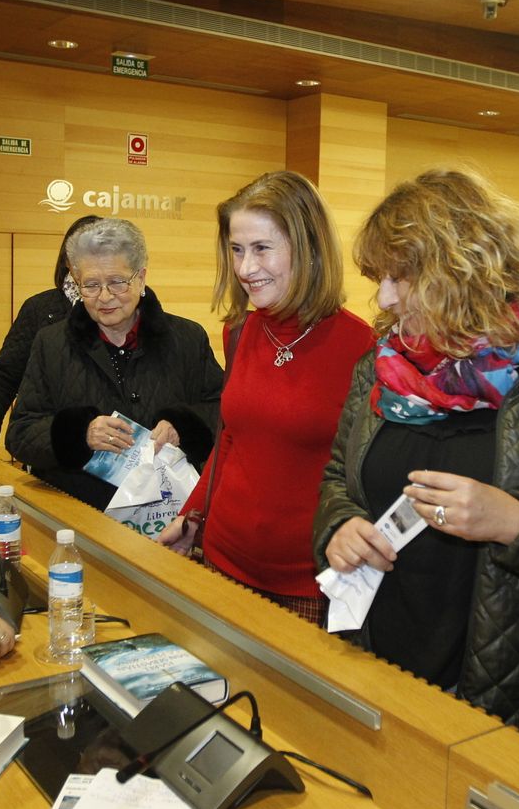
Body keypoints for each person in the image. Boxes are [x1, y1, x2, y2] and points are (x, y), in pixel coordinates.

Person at [312, 169, 519, 743]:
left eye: (400, 278)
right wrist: (340, 526)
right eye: (380, 278)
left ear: (462, 270)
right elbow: (340, 477)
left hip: (502, 688)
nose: (383, 298)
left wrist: (516, 522)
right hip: (375, 655)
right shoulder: (381, 366)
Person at [157, 171, 374, 622]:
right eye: (236, 250)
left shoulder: (363, 348)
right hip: (222, 564)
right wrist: (194, 514)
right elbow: (232, 439)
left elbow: (364, 476)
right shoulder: (240, 333)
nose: (245, 269)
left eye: (261, 249)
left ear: (308, 249)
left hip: (308, 586)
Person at [3, 217, 222, 510]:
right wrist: (81, 434)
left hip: (167, 518)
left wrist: (181, 426)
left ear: (141, 277)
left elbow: (223, 412)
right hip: (79, 516)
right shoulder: (51, 344)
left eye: (117, 282)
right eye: (91, 285)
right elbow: (20, 434)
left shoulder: (187, 339)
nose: (104, 297)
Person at [0, 213, 100, 454]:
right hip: (52, 448)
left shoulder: (128, 311)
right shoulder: (40, 309)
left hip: (119, 454)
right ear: (67, 261)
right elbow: (4, 375)